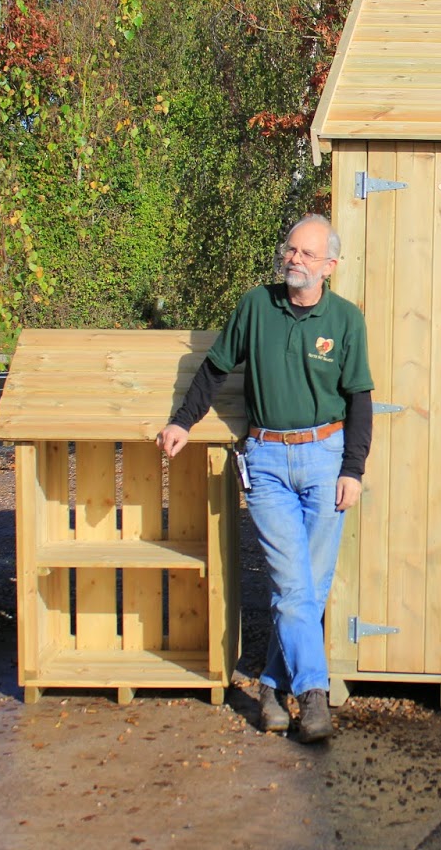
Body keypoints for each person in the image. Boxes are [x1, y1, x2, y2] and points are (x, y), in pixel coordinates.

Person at [157, 214, 372, 743]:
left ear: (329, 266)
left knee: (307, 588)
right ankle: (314, 696)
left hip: (326, 458)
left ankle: (273, 687)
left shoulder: (346, 320)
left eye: (305, 254)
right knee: (292, 582)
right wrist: (182, 421)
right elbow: (214, 369)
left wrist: (354, 470)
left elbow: (360, 399)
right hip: (268, 459)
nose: (293, 259)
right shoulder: (256, 306)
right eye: (290, 250)